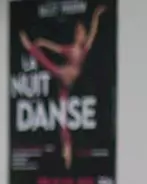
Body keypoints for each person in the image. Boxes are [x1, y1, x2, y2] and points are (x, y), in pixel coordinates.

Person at [17, 4, 105, 169]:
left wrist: (96, 15)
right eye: (78, 32)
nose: (81, 35)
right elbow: (54, 48)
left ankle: (29, 47)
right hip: (63, 77)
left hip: (69, 78)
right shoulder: (69, 49)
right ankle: (67, 148)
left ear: (84, 36)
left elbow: (94, 32)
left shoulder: (84, 49)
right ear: (76, 34)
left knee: (54, 71)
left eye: (82, 33)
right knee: (62, 114)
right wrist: (42, 42)